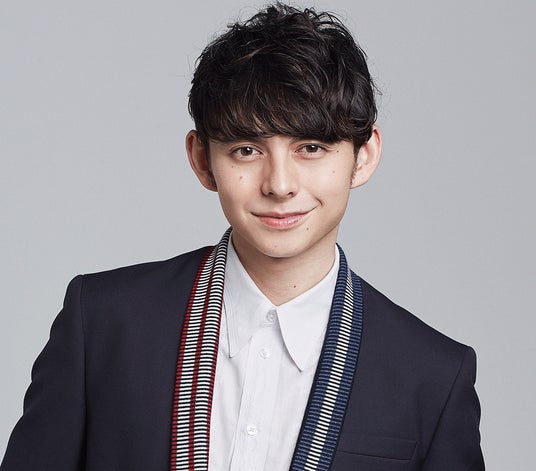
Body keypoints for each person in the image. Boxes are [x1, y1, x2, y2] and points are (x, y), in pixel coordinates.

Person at [1, 3, 484, 470]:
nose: (280, 184)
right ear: (202, 160)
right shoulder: (103, 323)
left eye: (311, 147)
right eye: (247, 150)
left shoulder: (432, 376)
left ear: (364, 156)